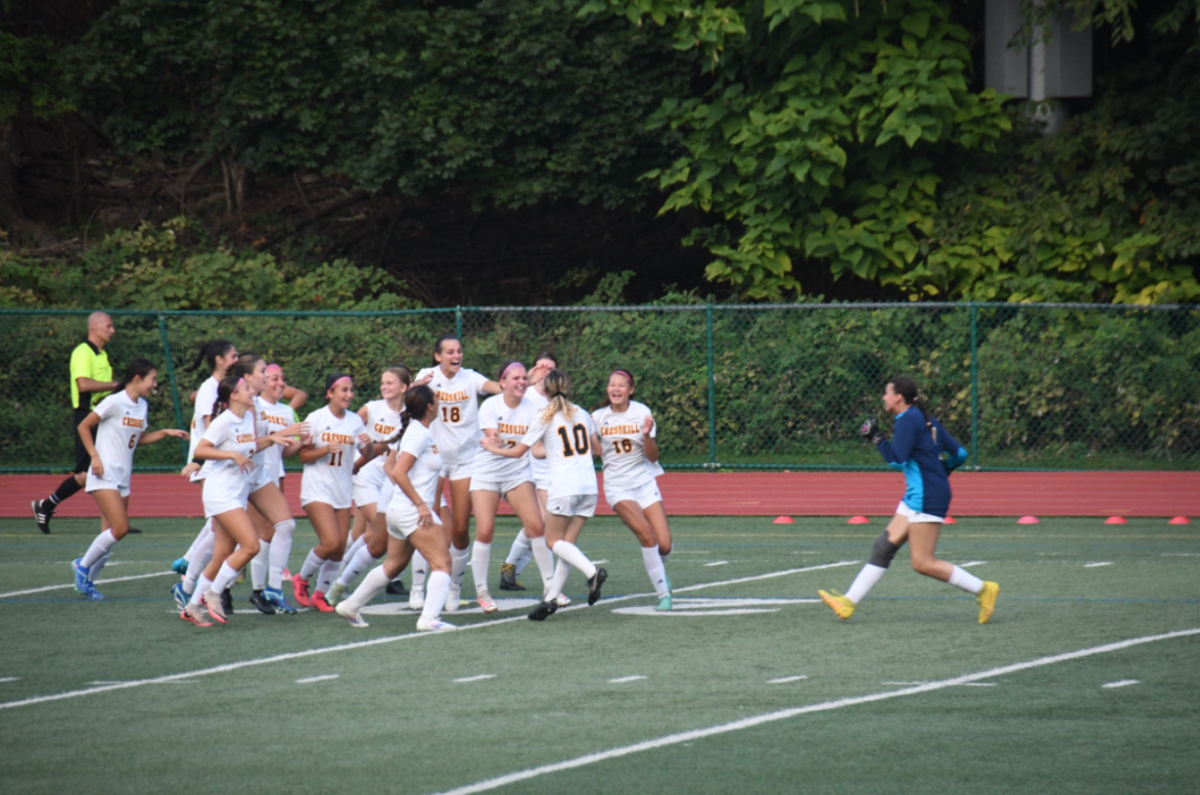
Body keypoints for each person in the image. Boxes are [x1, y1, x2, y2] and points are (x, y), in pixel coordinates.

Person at [818, 375, 999, 624]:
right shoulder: (925, 420)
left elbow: (897, 460)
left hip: (926, 496)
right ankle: (848, 602)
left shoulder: (906, 420)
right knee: (883, 547)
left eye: (886, 393)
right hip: (921, 493)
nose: (884, 397)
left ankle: (983, 589)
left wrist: (876, 437)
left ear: (898, 397)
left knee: (923, 563)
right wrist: (941, 470)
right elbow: (961, 454)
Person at [482, 369, 607, 621]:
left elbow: (519, 452)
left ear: (546, 391)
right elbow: (595, 449)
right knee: (566, 546)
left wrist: (492, 448)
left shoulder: (544, 416)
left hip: (564, 486)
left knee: (552, 542)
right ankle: (551, 599)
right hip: (589, 486)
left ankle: (592, 572)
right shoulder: (582, 412)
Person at [335, 385, 456, 631]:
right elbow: (399, 471)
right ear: (430, 407)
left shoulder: (417, 431)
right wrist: (420, 504)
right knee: (443, 563)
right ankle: (428, 619)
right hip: (411, 512)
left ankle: (351, 605)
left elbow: (390, 467)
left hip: (399, 511)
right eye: (436, 398)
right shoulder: (418, 434)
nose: (440, 401)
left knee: (393, 566)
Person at [181, 376, 299, 626]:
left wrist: (274, 439)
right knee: (250, 545)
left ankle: (192, 605)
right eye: (246, 388)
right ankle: (212, 594)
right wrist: (231, 454)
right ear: (233, 395)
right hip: (221, 494)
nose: (251, 391)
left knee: (222, 554)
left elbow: (250, 446)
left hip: (236, 492)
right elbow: (201, 450)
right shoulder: (223, 421)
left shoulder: (246, 418)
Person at [70, 359, 189, 599]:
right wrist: (94, 457)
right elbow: (84, 426)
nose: (154, 384)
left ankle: (88, 582)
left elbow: (137, 439)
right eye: (152, 379)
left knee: (109, 535)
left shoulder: (141, 406)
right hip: (104, 474)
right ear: (137, 378)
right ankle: (81, 566)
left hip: (122, 476)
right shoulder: (113, 402)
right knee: (121, 527)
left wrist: (165, 432)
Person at [414, 334, 502, 612]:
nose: (456, 355)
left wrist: (525, 381)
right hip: (434, 459)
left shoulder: (470, 378)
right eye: (450, 351)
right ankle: (417, 588)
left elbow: (498, 388)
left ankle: (454, 588)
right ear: (437, 356)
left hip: (466, 460)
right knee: (427, 520)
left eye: (459, 351)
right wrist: (416, 387)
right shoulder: (426, 377)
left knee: (461, 528)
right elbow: (411, 401)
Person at [467, 361, 556, 612]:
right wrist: (493, 440)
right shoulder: (490, 406)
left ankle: (551, 588)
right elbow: (491, 435)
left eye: (523, 379)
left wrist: (555, 450)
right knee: (485, 531)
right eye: (514, 378)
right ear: (502, 382)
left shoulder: (534, 411)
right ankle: (482, 592)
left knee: (537, 526)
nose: (520, 382)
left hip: (516, 473)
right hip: (487, 473)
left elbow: (530, 449)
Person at [292, 374, 379, 612]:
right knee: (330, 542)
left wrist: (369, 444)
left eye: (351, 390)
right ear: (329, 393)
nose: (349, 395)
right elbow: (303, 456)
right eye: (343, 390)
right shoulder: (316, 418)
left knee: (340, 548)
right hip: (317, 489)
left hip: (342, 490)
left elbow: (368, 453)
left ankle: (320, 594)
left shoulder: (354, 421)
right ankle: (301, 579)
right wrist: (325, 449)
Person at [328, 366, 412, 605]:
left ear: (404, 388)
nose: (384, 387)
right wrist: (351, 461)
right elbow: (348, 427)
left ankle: (336, 579)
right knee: (380, 534)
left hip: (390, 479)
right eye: (382, 382)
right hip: (364, 475)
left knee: (371, 535)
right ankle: (336, 584)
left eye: (390, 383)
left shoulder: (409, 413)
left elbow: (391, 448)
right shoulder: (372, 408)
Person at [591, 369, 673, 611]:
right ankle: (663, 594)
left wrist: (647, 435)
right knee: (647, 536)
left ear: (631, 390)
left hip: (645, 482)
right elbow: (594, 451)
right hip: (618, 486)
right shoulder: (596, 417)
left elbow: (653, 456)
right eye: (612, 385)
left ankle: (660, 571)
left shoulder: (641, 412)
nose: (616, 389)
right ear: (608, 389)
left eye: (622, 385)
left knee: (665, 545)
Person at [33, 312, 121, 534]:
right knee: (85, 474)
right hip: (86, 417)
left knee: (102, 471)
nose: (113, 331)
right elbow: (83, 385)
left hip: (101, 417)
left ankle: (112, 523)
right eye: (109, 326)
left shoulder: (102, 354)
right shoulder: (82, 352)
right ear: (95, 327)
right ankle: (46, 505)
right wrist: (116, 385)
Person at [498, 351, 558, 592]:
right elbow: (535, 448)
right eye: (541, 367)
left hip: (551, 471)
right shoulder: (528, 395)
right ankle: (520, 571)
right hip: (528, 469)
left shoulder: (557, 400)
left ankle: (512, 568)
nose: (545, 373)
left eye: (550, 369)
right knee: (541, 523)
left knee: (543, 525)